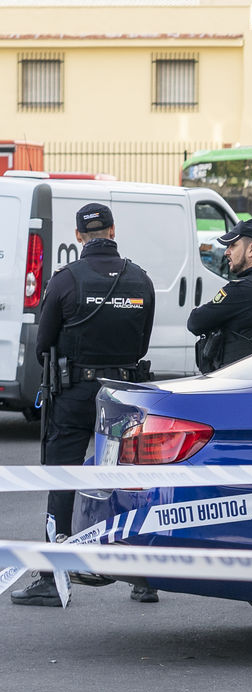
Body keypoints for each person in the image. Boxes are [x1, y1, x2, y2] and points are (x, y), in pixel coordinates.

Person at [12, 203, 156, 606]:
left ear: (78, 236)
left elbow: (43, 344)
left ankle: (51, 579)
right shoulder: (140, 280)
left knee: (62, 481)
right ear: (113, 231)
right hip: (124, 395)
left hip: (75, 393)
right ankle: (144, 578)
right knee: (131, 484)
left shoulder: (65, 281)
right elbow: (142, 343)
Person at [186, 219, 252, 372]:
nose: (226, 252)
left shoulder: (243, 290)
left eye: (233, 245)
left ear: (251, 250)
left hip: (237, 380)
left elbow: (195, 322)